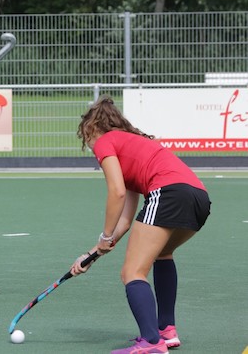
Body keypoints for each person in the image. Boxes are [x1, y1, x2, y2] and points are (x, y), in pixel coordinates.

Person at [70, 95, 211, 354]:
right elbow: (126, 217)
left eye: (86, 137)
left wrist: (105, 234)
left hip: (168, 193)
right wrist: (94, 252)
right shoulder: (133, 144)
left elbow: (117, 192)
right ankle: (166, 331)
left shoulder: (104, 141)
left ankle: (152, 343)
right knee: (163, 253)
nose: (89, 145)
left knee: (132, 272)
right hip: (198, 198)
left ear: (92, 129)